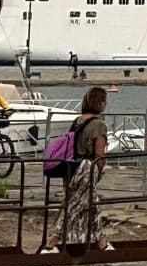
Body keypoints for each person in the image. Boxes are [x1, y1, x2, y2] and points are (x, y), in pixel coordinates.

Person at [48, 86, 112, 254]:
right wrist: (101, 170)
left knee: (92, 204)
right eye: (104, 101)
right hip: (86, 169)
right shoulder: (99, 124)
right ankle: (53, 240)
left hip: (71, 167)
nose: (105, 104)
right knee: (76, 205)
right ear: (101, 103)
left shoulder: (78, 120)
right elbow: (99, 153)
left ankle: (99, 242)